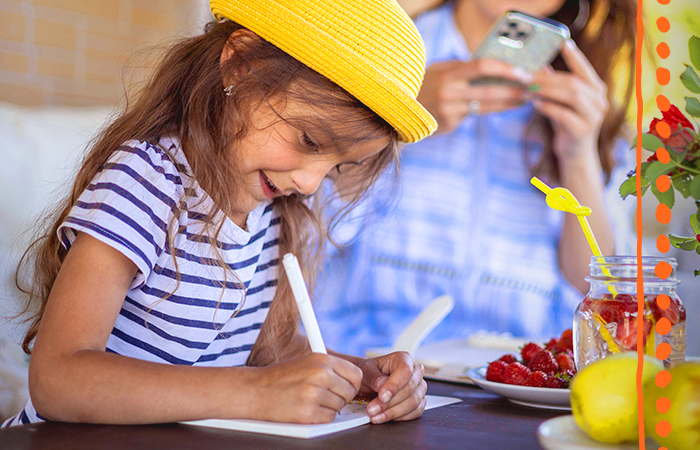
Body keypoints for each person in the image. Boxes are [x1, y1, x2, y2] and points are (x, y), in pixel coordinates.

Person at [2, 0, 439, 427]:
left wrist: (358, 375)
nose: (309, 184)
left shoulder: (273, 210)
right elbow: (57, 380)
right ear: (241, 64)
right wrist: (256, 393)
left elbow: (260, 353)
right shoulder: (147, 180)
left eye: (338, 167)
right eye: (308, 141)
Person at [315, 0, 637, 356]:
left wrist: (578, 155)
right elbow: (304, 222)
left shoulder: (588, 90)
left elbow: (599, 288)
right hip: (366, 355)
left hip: (523, 371)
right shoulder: (373, 47)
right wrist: (390, 124)